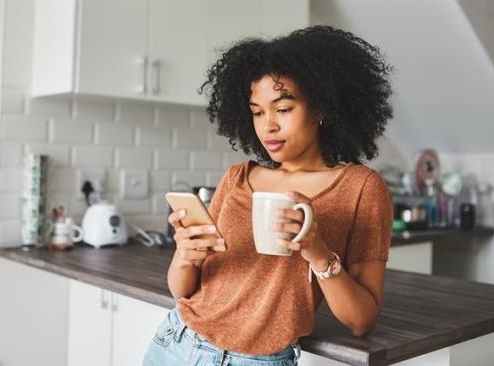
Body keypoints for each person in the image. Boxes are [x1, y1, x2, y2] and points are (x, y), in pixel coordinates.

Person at [144, 25, 394, 366]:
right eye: (258, 112)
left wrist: (315, 250)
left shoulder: (361, 188)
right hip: (176, 343)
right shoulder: (237, 177)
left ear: (320, 107)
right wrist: (186, 254)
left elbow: (362, 320)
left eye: (284, 109)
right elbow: (183, 290)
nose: (268, 126)